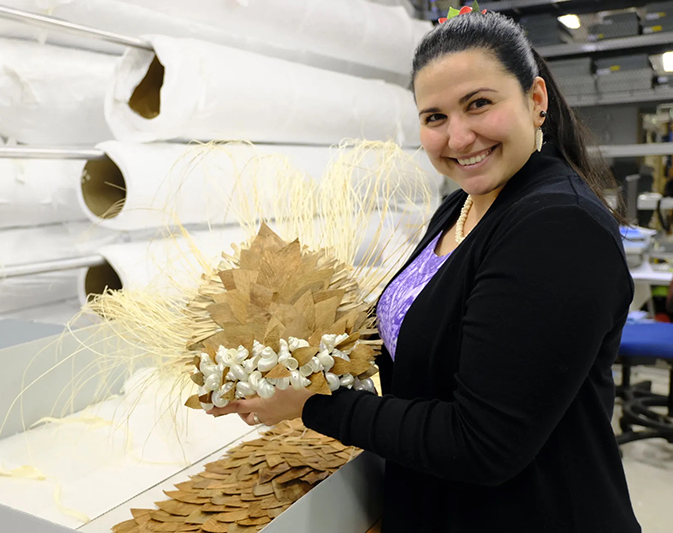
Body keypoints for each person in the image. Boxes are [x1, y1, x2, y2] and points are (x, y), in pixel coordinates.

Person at [209, 10, 641, 532]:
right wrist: (277, 347)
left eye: (478, 104)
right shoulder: (464, 206)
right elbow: (417, 326)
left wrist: (311, 406)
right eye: (434, 117)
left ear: (536, 100)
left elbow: (479, 442)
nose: (458, 138)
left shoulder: (557, 226)